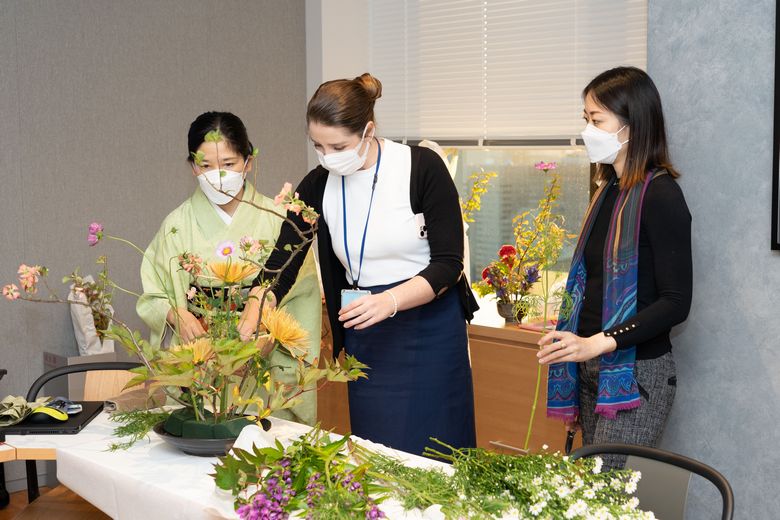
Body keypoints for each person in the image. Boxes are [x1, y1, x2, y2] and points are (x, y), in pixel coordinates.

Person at [238, 73, 478, 456]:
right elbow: (281, 263)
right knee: (379, 452)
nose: (328, 156)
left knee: (438, 451)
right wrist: (254, 309)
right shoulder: (318, 184)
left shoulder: (420, 167)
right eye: (317, 145)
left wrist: (389, 302)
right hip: (367, 330)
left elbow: (449, 264)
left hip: (429, 327)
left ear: (368, 130)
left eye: (338, 145)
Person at [538, 67, 692, 468]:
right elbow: (596, 281)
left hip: (635, 375)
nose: (588, 130)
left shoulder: (661, 195)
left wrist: (598, 342)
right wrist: (568, 335)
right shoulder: (606, 190)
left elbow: (676, 302)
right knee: (590, 493)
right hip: (590, 367)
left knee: (606, 498)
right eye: (585, 119)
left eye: (597, 120)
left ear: (632, 125)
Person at [136, 111, 321, 425]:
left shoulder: (278, 219)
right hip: (201, 363)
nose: (218, 175)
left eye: (229, 164)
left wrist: (267, 340)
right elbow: (154, 294)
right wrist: (173, 313)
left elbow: (302, 297)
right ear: (193, 166)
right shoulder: (177, 224)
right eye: (206, 166)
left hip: (262, 367)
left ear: (248, 163)